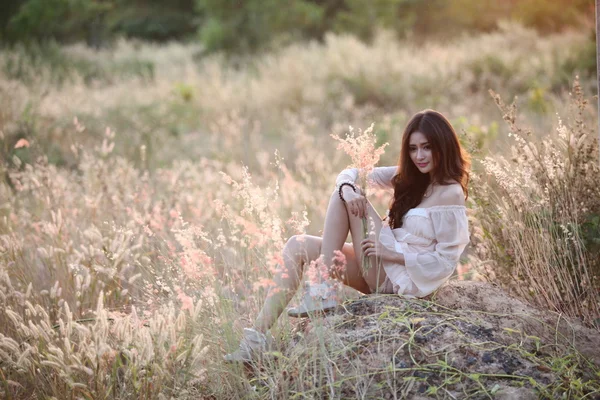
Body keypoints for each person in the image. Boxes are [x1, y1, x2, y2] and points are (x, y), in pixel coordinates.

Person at [224, 109, 471, 362]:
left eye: (427, 147)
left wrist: (393, 255)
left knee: (346, 196)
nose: (419, 156)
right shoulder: (411, 177)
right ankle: (254, 340)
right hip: (378, 268)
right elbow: (352, 173)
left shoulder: (450, 193)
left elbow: (446, 261)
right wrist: (347, 189)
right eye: (413, 148)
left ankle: (322, 284)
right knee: (297, 244)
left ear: (443, 145)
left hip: (400, 277)